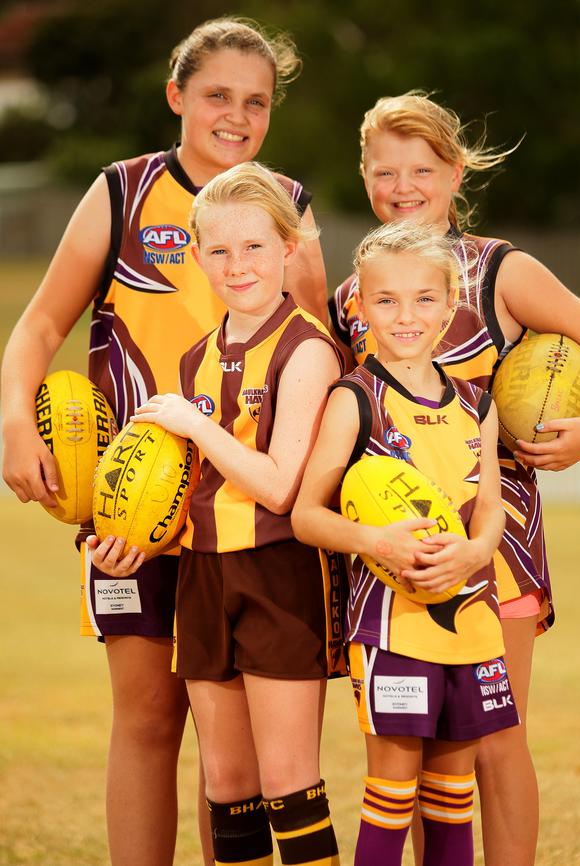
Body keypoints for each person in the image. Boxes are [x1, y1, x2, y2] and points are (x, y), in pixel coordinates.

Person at [1, 18, 328, 866]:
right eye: (217, 95)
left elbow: (320, 346)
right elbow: (40, 322)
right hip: (132, 502)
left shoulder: (288, 207)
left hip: (246, 513)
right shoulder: (122, 190)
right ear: (178, 96)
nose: (237, 115)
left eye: (256, 102)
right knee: (147, 716)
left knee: (237, 751)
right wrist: (12, 420)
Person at [327, 91, 580, 865]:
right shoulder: (354, 293)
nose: (403, 186)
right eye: (384, 170)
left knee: (495, 738)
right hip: (399, 549)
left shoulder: (501, 268)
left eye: (422, 169)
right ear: (363, 175)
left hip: (499, 536)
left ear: (456, 172)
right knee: (431, 747)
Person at [90, 161, 342, 866]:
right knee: (228, 785)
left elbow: (280, 486)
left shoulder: (308, 350)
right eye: (221, 251)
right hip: (202, 575)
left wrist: (196, 427)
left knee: (288, 782)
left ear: (288, 250)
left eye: (255, 248)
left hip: (280, 574)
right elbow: (172, 491)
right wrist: (130, 540)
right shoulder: (196, 358)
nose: (238, 266)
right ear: (196, 258)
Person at [292, 219, 519, 866]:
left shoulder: (477, 402)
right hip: (393, 627)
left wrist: (476, 554)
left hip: (472, 621)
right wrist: (375, 540)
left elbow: (492, 509)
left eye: (424, 299)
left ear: (451, 305)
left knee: (453, 796)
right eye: (386, 300)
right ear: (359, 306)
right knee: (391, 796)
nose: (407, 316)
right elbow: (308, 515)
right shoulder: (355, 399)